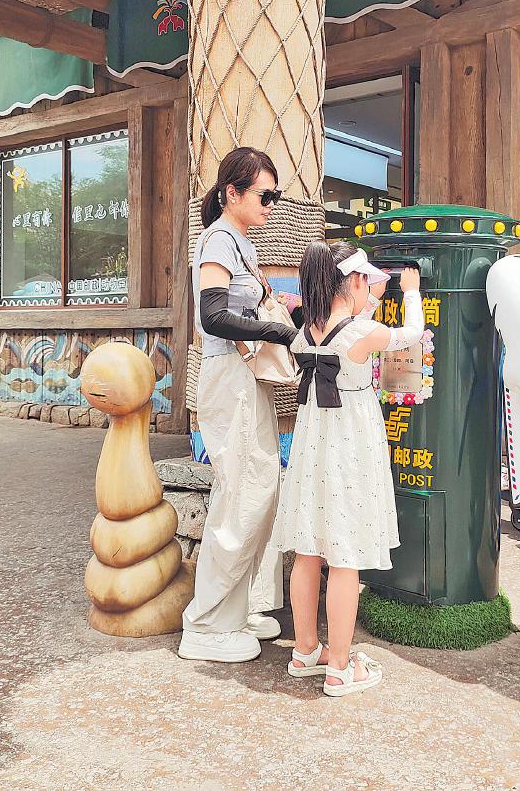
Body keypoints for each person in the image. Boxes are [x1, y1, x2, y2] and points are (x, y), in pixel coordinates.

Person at [270, 242, 423, 697]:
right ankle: (339, 668)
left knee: (308, 551)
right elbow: (412, 333)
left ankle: (305, 651)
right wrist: (410, 291)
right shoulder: (364, 333)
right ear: (352, 281)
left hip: (312, 445)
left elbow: (347, 327)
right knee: (344, 555)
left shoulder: (305, 333)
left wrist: (369, 296)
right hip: (350, 444)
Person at [178, 147, 299, 664]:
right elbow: (212, 316)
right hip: (229, 375)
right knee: (242, 494)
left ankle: (241, 607)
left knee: (260, 488)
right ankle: (207, 623)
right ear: (232, 192)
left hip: (246, 377)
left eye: (275, 196)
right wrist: (275, 330)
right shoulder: (218, 240)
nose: (271, 205)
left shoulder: (240, 243)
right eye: (264, 195)